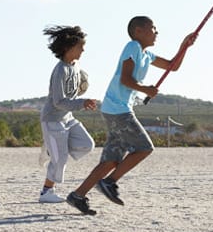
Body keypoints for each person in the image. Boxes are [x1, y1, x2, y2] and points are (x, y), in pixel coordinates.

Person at [66, 16, 197, 215]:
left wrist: (184, 46)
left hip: (116, 109)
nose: (156, 32)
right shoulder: (132, 47)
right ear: (138, 32)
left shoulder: (147, 54)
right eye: (153, 28)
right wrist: (146, 90)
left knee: (110, 161)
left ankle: (77, 195)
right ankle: (109, 182)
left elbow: (172, 65)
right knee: (144, 147)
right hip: (119, 110)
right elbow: (126, 79)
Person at [38, 25, 97, 203]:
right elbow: (58, 102)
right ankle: (46, 192)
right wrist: (82, 103)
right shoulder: (59, 71)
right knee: (60, 158)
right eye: (80, 46)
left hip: (68, 118)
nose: (83, 50)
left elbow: (75, 89)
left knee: (87, 144)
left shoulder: (76, 66)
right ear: (67, 48)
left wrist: (81, 89)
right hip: (53, 120)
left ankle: (53, 150)